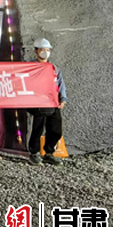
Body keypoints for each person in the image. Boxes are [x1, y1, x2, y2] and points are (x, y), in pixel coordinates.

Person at [28, 38, 67, 166]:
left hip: (53, 102)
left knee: (55, 129)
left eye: (47, 50)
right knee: (37, 128)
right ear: (36, 51)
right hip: (38, 103)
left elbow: (60, 84)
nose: (45, 52)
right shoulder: (30, 67)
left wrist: (63, 99)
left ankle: (49, 152)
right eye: (42, 49)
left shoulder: (54, 68)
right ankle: (34, 153)